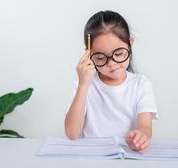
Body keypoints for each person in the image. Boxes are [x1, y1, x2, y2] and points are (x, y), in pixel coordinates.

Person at [65, 10, 158, 152]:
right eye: (101, 58)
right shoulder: (83, 85)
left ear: (130, 44)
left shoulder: (141, 84)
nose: (111, 63)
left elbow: (145, 127)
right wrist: (83, 85)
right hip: (90, 158)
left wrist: (141, 136)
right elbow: (72, 133)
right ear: (88, 55)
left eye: (119, 53)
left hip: (127, 157)